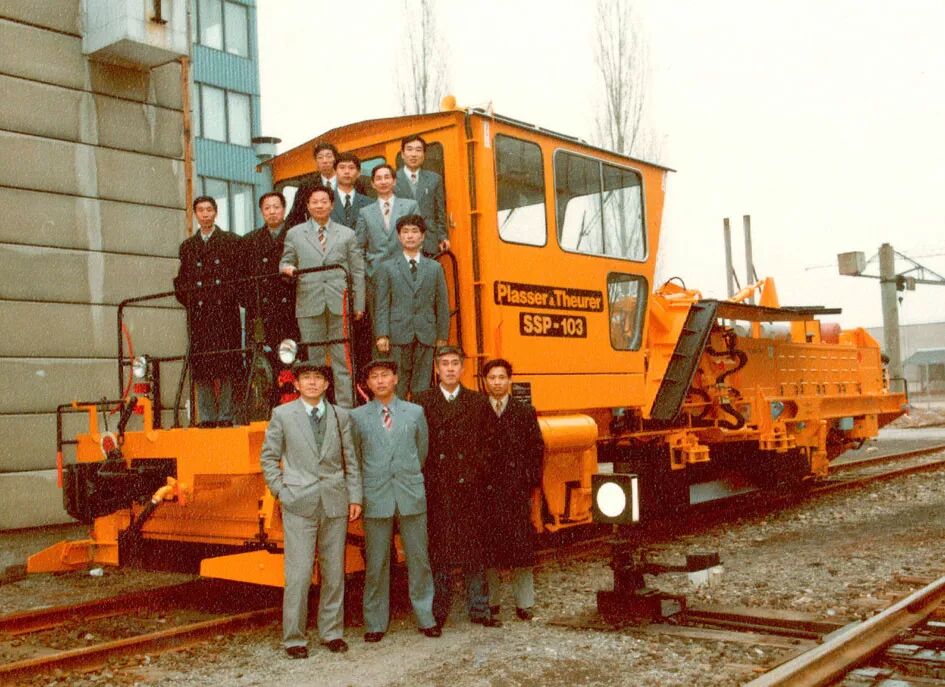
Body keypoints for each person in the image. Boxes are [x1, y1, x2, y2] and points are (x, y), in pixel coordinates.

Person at [260, 360, 362, 657]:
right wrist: (281, 492)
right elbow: (268, 458)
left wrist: (355, 497)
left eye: (318, 378)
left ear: (327, 384)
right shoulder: (282, 415)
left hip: (334, 502)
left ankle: (332, 632)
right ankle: (294, 638)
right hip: (298, 503)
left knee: (334, 572)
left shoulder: (341, 416)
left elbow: (351, 460)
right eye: (306, 378)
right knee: (299, 574)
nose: (313, 383)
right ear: (296, 384)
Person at [350, 359, 440, 642]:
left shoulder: (415, 412)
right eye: (374, 377)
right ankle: (375, 623)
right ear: (367, 383)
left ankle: (426, 616)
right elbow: (355, 458)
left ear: (395, 379)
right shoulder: (357, 417)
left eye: (385, 375)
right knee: (376, 563)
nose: (380, 381)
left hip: (409, 494)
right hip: (376, 496)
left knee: (419, 559)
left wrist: (406, 474)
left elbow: (421, 451)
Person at [415, 346, 500, 629]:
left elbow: (489, 443)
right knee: (439, 551)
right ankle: (438, 611)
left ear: (462, 369)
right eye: (444, 364)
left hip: (469, 487)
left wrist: (476, 472)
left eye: (455, 363)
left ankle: (479, 608)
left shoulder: (478, 402)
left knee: (474, 549)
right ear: (436, 369)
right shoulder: (423, 401)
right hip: (438, 487)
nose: (450, 368)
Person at [280, 186, 365, 408]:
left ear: (332, 205)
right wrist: (287, 268)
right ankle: (316, 407)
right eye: (315, 202)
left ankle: (346, 409)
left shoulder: (347, 234)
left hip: (340, 303)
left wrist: (358, 304)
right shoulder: (295, 233)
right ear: (307, 206)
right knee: (314, 362)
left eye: (324, 201)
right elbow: (285, 261)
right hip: (309, 303)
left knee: (342, 360)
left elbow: (357, 270)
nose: (319, 205)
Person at [481, 358, 544, 622]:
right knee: (489, 549)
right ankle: (491, 602)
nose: (497, 382)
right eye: (492, 378)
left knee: (521, 548)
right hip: (487, 492)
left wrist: (528, 483)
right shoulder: (478, 411)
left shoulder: (524, 411)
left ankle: (524, 603)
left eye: (501, 377)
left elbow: (536, 450)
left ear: (509, 380)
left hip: (516, 491)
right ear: (485, 382)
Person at [173, 196, 242, 426]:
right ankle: (207, 416)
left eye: (209, 209)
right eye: (201, 210)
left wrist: (227, 297)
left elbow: (238, 277)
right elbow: (182, 282)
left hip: (225, 313)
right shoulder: (188, 247)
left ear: (216, 212)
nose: (205, 214)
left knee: (227, 363)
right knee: (201, 365)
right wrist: (194, 301)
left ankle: (226, 415)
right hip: (200, 315)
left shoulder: (231, 241)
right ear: (195, 214)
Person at [373, 215, 449, 398]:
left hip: (426, 334)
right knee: (397, 384)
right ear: (399, 237)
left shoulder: (435, 268)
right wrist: (382, 334)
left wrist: (442, 336)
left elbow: (442, 304)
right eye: (405, 232)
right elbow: (382, 303)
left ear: (423, 236)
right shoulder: (387, 268)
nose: (410, 236)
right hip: (398, 334)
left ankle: (418, 416)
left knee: (421, 388)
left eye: (414, 231)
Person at [242, 192, 300, 392]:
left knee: (292, 363)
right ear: (261, 212)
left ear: (284, 209)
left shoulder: (296, 235)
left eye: (276, 207)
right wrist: (251, 302)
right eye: (267, 208)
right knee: (263, 370)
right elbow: (241, 278)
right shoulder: (250, 241)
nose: (272, 212)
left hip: (291, 312)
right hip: (262, 314)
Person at [355, 164, 419, 285]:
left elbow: (418, 240)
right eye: (379, 178)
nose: (383, 182)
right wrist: (368, 270)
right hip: (376, 273)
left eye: (387, 177)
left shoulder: (410, 206)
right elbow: (359, 247)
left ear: (394, 181)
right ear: (373, 184)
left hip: (407, 271)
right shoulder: (365, 212)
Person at [394, 135, 449, 256]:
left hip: (429, 241)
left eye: (418, 150)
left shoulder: (434, 179)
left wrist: (442, 237)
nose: (414, 154)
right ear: (402, 154)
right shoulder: (392, 180)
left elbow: (439, 212)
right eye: (409, 149)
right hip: (401, 243)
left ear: (424, 155)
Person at [330, 152, 373, 229]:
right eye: (342, 167)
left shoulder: (370, 203)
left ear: (359, 173)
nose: (347, 171)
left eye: (351, 168)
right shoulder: (326, 202)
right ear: (335, 172)